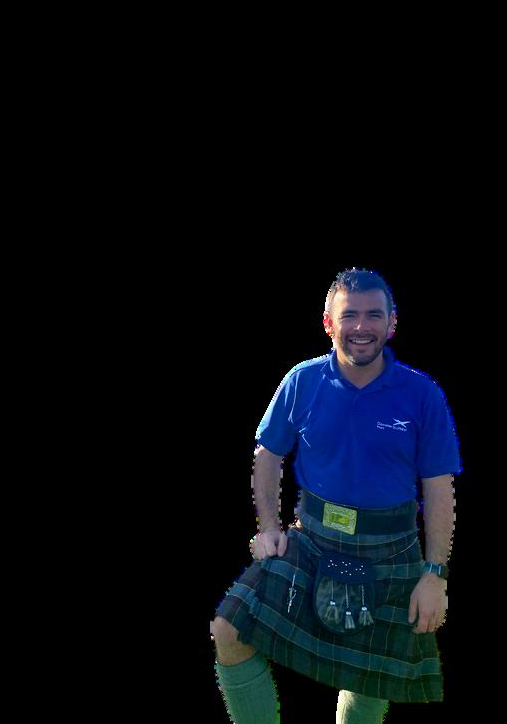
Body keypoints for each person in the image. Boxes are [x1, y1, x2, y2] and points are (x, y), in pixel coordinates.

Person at [211, 268, 460, 724]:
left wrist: (434, 574)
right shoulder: (302, 381)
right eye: (350, 315)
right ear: (329, 323)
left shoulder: (422, 394)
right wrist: (268, 528)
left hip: (390, 549)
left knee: (372, 678)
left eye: (374, 315)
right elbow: (267, 454)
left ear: (391, 323)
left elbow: (439, 487)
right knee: (229, 629)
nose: (362, 326)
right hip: (313, 539)